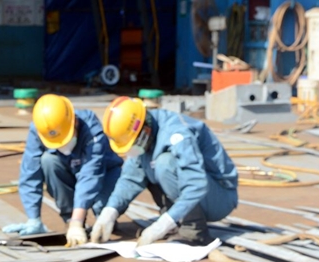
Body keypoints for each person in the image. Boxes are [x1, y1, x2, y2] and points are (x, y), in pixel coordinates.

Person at [91, 97, 238, 247]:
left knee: (164, 164)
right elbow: (130, 178)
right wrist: (110, 211)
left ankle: (193, 231)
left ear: (145, 129)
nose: (133, 149)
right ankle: (175, 223)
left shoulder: (177, 134)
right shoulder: (146, 135)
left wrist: (164, 223)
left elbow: (197, 184)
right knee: (147, 163)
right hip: (200, 195)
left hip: (219, 197)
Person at [2, 94, 123, 247]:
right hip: (68, 170)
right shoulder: (40, 129)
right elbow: (30, 172)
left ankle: (102, 219)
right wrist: (33, 218)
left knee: (103, 209)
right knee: (48, 160)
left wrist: (77, 221)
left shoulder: (91, 128)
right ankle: (69, 219)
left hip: (104, 174)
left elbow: (90, 175)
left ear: (75, 122)